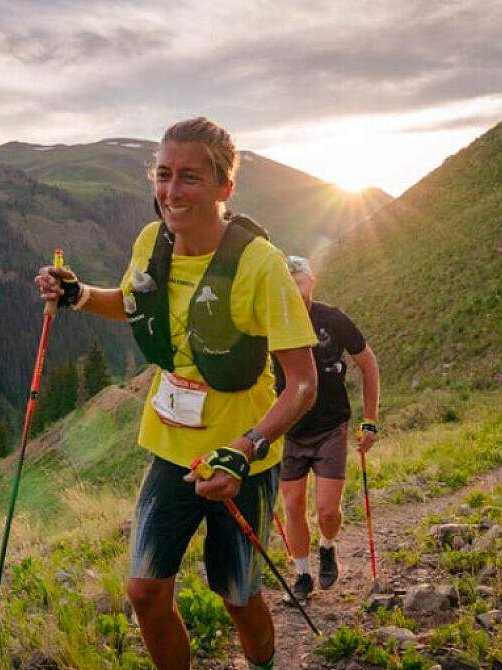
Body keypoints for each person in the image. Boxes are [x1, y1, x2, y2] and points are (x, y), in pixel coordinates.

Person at [34, 117, 317, 670]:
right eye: (163, 175)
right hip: (171, 449)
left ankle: (263, 665)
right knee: (145, 593)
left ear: (224, 186)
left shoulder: (260, 263)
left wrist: (245, 449)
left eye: (189, 177)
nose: (171, 191)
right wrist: (78, 294)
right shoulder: (151, 241)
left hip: (241, 459)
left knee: (237, 597)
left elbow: (303, 384)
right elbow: (133, 304)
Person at [274, 255, 380, 603]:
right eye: (288, 281)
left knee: (327, 510)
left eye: (299, 280)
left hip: (332, 425)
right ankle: (302, 575)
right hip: (290, 429)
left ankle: (327, 545)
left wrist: (370, 420)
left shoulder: (332, 319)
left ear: (312, 281)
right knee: (292, 506)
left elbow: (369, 365)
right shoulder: (272, 323)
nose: (294, 287)